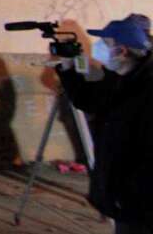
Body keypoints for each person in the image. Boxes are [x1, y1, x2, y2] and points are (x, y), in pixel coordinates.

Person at [55, 15, 152, 233]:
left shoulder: (145, 90)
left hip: (140, 203)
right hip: (123, 199)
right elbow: (88, 100)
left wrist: (129, 195)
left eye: (105, 44)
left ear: (122, 51)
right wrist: (68, 65)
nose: (98, 49)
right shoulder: (121, 76)